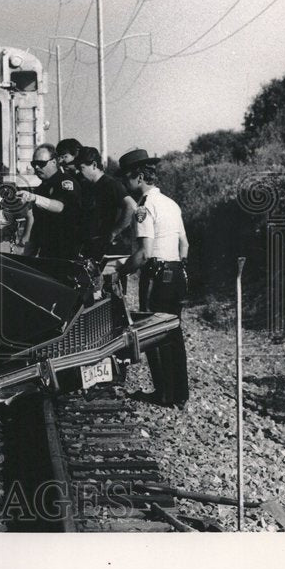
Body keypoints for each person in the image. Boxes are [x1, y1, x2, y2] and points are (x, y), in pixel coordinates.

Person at [116, 148, 190, 407]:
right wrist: (177, 268)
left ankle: (163, 394)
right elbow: (184, 245)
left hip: (157, 276)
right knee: (175, 334)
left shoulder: (143, 209)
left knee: (155, 335)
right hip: (177, 273)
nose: (126, 184)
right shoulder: (171, 203)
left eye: (126, 178)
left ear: (137, 177)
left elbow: (144, 254)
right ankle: (180, 394)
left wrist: (122, 270)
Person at [17, 143, 82, 260]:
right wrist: (28, 255)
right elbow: (38, 223)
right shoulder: (41, 188)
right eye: (34, 164)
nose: (36, 167)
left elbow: (60, 207)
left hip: (67, 249)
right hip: (48, 251)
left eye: (41, 163)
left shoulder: (66, 183)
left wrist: (35, 198)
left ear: (53, 162)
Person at [75, 146, 135, 261]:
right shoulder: (88, 186)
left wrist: (114, 232)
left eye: (81, 167)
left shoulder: (111, 184)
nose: (78, 171)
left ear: (94, 165)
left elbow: (131, 206)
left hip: (108, 251)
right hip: (93, 247)